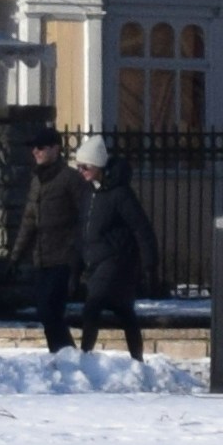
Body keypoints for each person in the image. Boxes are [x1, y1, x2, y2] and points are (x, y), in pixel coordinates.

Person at [69, 152, 158, 359]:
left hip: (118, 261)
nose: (81, 171)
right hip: (95, 261)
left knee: (93, 305)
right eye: (78, 167)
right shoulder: (89, 193)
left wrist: (149, 264)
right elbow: (82, 233)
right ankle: (137, 359)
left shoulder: (120, 194)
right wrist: (76, 269)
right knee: (124, 311)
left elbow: (141, 228)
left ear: (99, 166)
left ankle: (85, 357)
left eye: (86, 167)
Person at [9, 138, 85, 352]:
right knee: (45, 312)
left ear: (55, 149)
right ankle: (61, 353)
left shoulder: (70, 178)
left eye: (41, 147)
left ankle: (66, 353)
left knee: (50, 310)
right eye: (33, 147)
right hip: (41, 258)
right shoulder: (38, 179)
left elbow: (84, 218)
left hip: (63, 258)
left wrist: (78, 256)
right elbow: (29, 221)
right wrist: (16, 256)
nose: (36, 151)